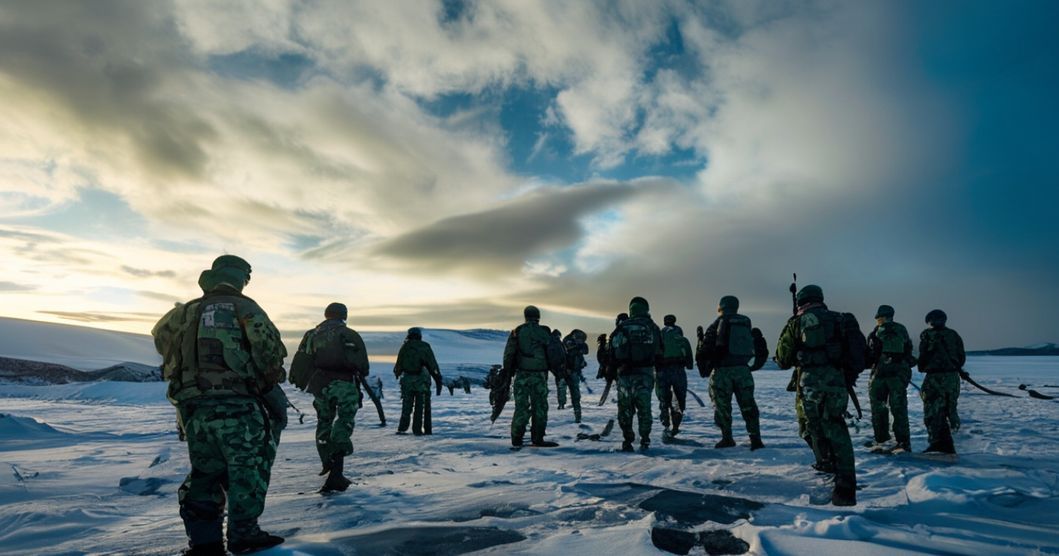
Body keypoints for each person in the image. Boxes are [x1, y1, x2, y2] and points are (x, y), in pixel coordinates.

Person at [152, 255, 287, 555]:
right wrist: (269, 379)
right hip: (239, 405)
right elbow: (268, 353)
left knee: (205, 474)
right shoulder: (245, 307)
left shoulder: (182, 313)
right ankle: (244, 534)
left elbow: (161, 341)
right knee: (247, 470)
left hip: (194, 409)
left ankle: (204, 543)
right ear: (240, 278)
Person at [775, 285, 858, 506]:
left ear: (801, 302)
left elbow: (783, 359)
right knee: (836, 425)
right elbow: (858, 354)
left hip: (809, 383)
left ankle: (828, 465)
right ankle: (845, 483)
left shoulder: (796, 323)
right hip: (837, 380)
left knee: (812, 426)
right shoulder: (841, 319)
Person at [297, 302, 369, 493]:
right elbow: (362, 364)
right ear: (344, 316)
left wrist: (304, 381)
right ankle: (337, 471)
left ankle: (327, 462)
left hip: (320, 384)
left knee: (324, 421)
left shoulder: (312, 334)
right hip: (343, 384)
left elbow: (302, 360)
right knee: (344, 422)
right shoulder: (349, 334)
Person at [698, 296, 764, 450]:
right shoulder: (745, 322)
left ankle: (727, 438)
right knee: (748, 406)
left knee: (723, 407)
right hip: (743, 370)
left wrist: (705, 365)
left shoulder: (717, 323)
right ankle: (755, 439)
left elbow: (707, 347)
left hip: (722, 371)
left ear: (721, 306)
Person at [503, 306, 561, 447]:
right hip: (539, 375)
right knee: (540, 407)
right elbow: (553, 354)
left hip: (522, 375)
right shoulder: (544, 332)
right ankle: (538, 438)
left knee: (521, 407)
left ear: (525, 316)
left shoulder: (517, 332)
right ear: (538, 317)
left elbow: (509, 354)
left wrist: (508, 372)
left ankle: (516, 438)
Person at [609, 297, 662, 453]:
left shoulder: (622, 327)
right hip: (645, 374)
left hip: (624, 374)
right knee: (644, 407)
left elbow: (612, 352)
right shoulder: (652, 326)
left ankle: (627, 439)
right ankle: (645, 439)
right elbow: (659, 351)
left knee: (625, 409)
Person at [865, 305, 914, 453]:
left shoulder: (876, 332)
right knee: (899, 408)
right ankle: (903, 442)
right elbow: (908, 349)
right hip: (897, 375)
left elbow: (870, 353)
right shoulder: (901, 329)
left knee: (878, 408)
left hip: (880, 375)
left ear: (882, 317)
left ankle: (881, 439)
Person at [917, 309, 966, 455]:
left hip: (935, 377)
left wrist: (923, 366)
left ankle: (939, 444)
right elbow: (961, 356)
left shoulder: (927, 334)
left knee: (932, 411)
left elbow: (923, 356)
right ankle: (947, 443)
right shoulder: (953, 334)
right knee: (949, 409)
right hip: (952, 377)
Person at [394, 327, 443, 435]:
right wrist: (438, 379)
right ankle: (418, 430)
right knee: (420, 407)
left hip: (407, 381)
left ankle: (402, 428)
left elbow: (398, 366)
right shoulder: (425, 346)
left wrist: (398, 374)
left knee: (406, 406)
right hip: (422, 381)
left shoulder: (405, 347)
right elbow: (432, 365)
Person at [656, 314, 693, 438]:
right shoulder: (683, 339)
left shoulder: (660, 337)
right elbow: (690, 364)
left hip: (662, 372)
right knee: (678, 400)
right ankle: (676, 427)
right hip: (678, 372)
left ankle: (666, 426)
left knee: (664, 399)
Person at [558, 329, 589, 422]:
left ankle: (577, 414)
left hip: (573, 371)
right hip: (567, 371)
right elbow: (568, 354)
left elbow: (585, 351)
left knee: (574, 394)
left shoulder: (576, 343)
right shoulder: (568, 342)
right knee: (565, 389)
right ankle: (563, 405)